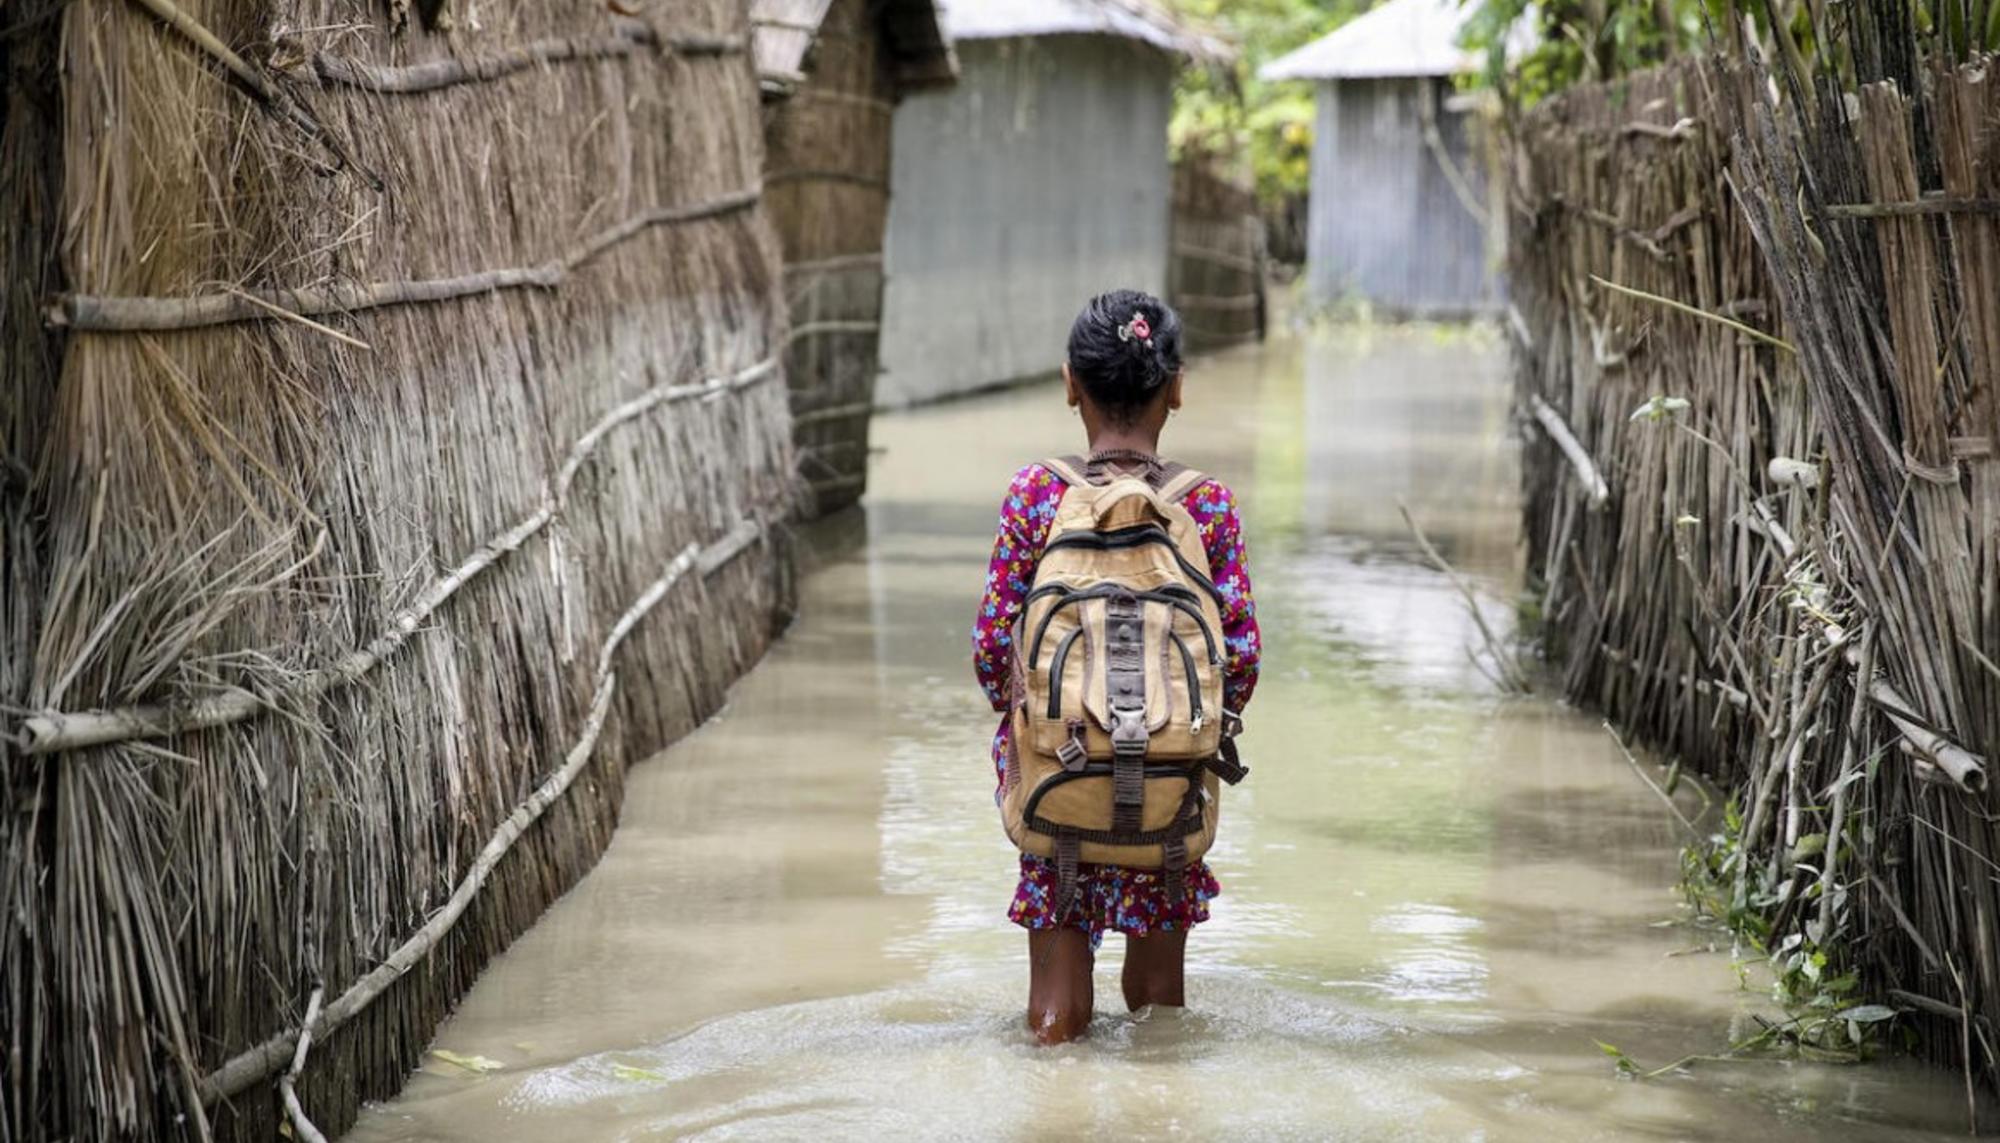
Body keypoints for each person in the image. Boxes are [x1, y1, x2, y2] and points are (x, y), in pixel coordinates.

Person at [971, 288, 1261, 1044]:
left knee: (1056, 1015)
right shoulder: (1208, 507)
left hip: (1056, 775)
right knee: (1160, 1012)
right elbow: (1243, 661)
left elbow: (992, 649)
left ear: (1071, 383)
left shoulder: (1038, 496)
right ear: (1177, 387)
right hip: (1169, 785)